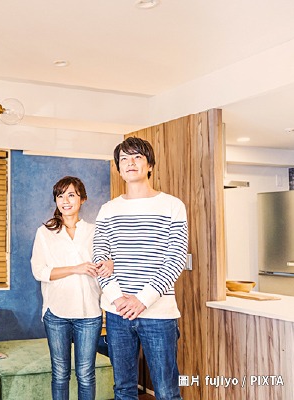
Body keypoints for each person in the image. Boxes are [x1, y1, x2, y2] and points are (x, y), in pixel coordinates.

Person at [93, 137, 188, 400]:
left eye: (137, 157)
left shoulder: (172, 205)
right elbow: (100, 257)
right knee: (123, 389)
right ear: (119, 168)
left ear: (150, 165)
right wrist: (118, 299)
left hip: (159, 312)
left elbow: (176, 258)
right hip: (117, 313)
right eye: (124, 159)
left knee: (167, 391)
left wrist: (142, 299)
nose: (130, 163)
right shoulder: (108, 209)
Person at [31, 176, 113, 400]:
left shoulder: (95, 232)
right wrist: (76, 268)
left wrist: (109, 264)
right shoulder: (45, 232)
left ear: (82, 199)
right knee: (60, 374)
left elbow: (108, 264)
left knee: (86, 375)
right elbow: (39, 272)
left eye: (71, 195)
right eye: (60, 196)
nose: (65, 201)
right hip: (56, 313)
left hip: (89, 313)